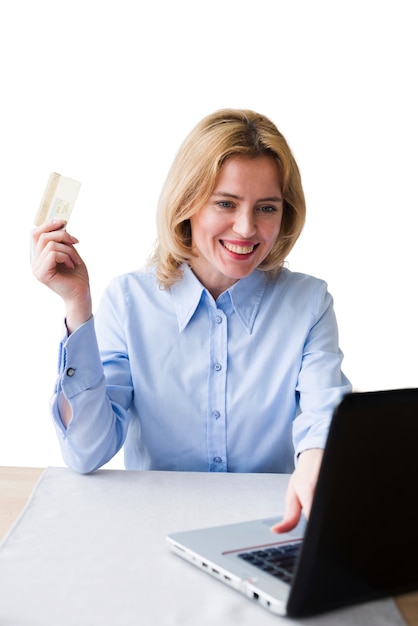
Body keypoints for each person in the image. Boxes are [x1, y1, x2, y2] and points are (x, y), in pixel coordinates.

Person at [31, 108, 351, 533]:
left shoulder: (308, 303)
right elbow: (87, 451)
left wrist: (317, 464)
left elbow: (322, 417)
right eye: (226, 203)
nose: (246, 228)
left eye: (267, 208)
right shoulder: (129, 302)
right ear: (187, 204)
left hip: (268, 530)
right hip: (155, 530)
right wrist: (77, 306)